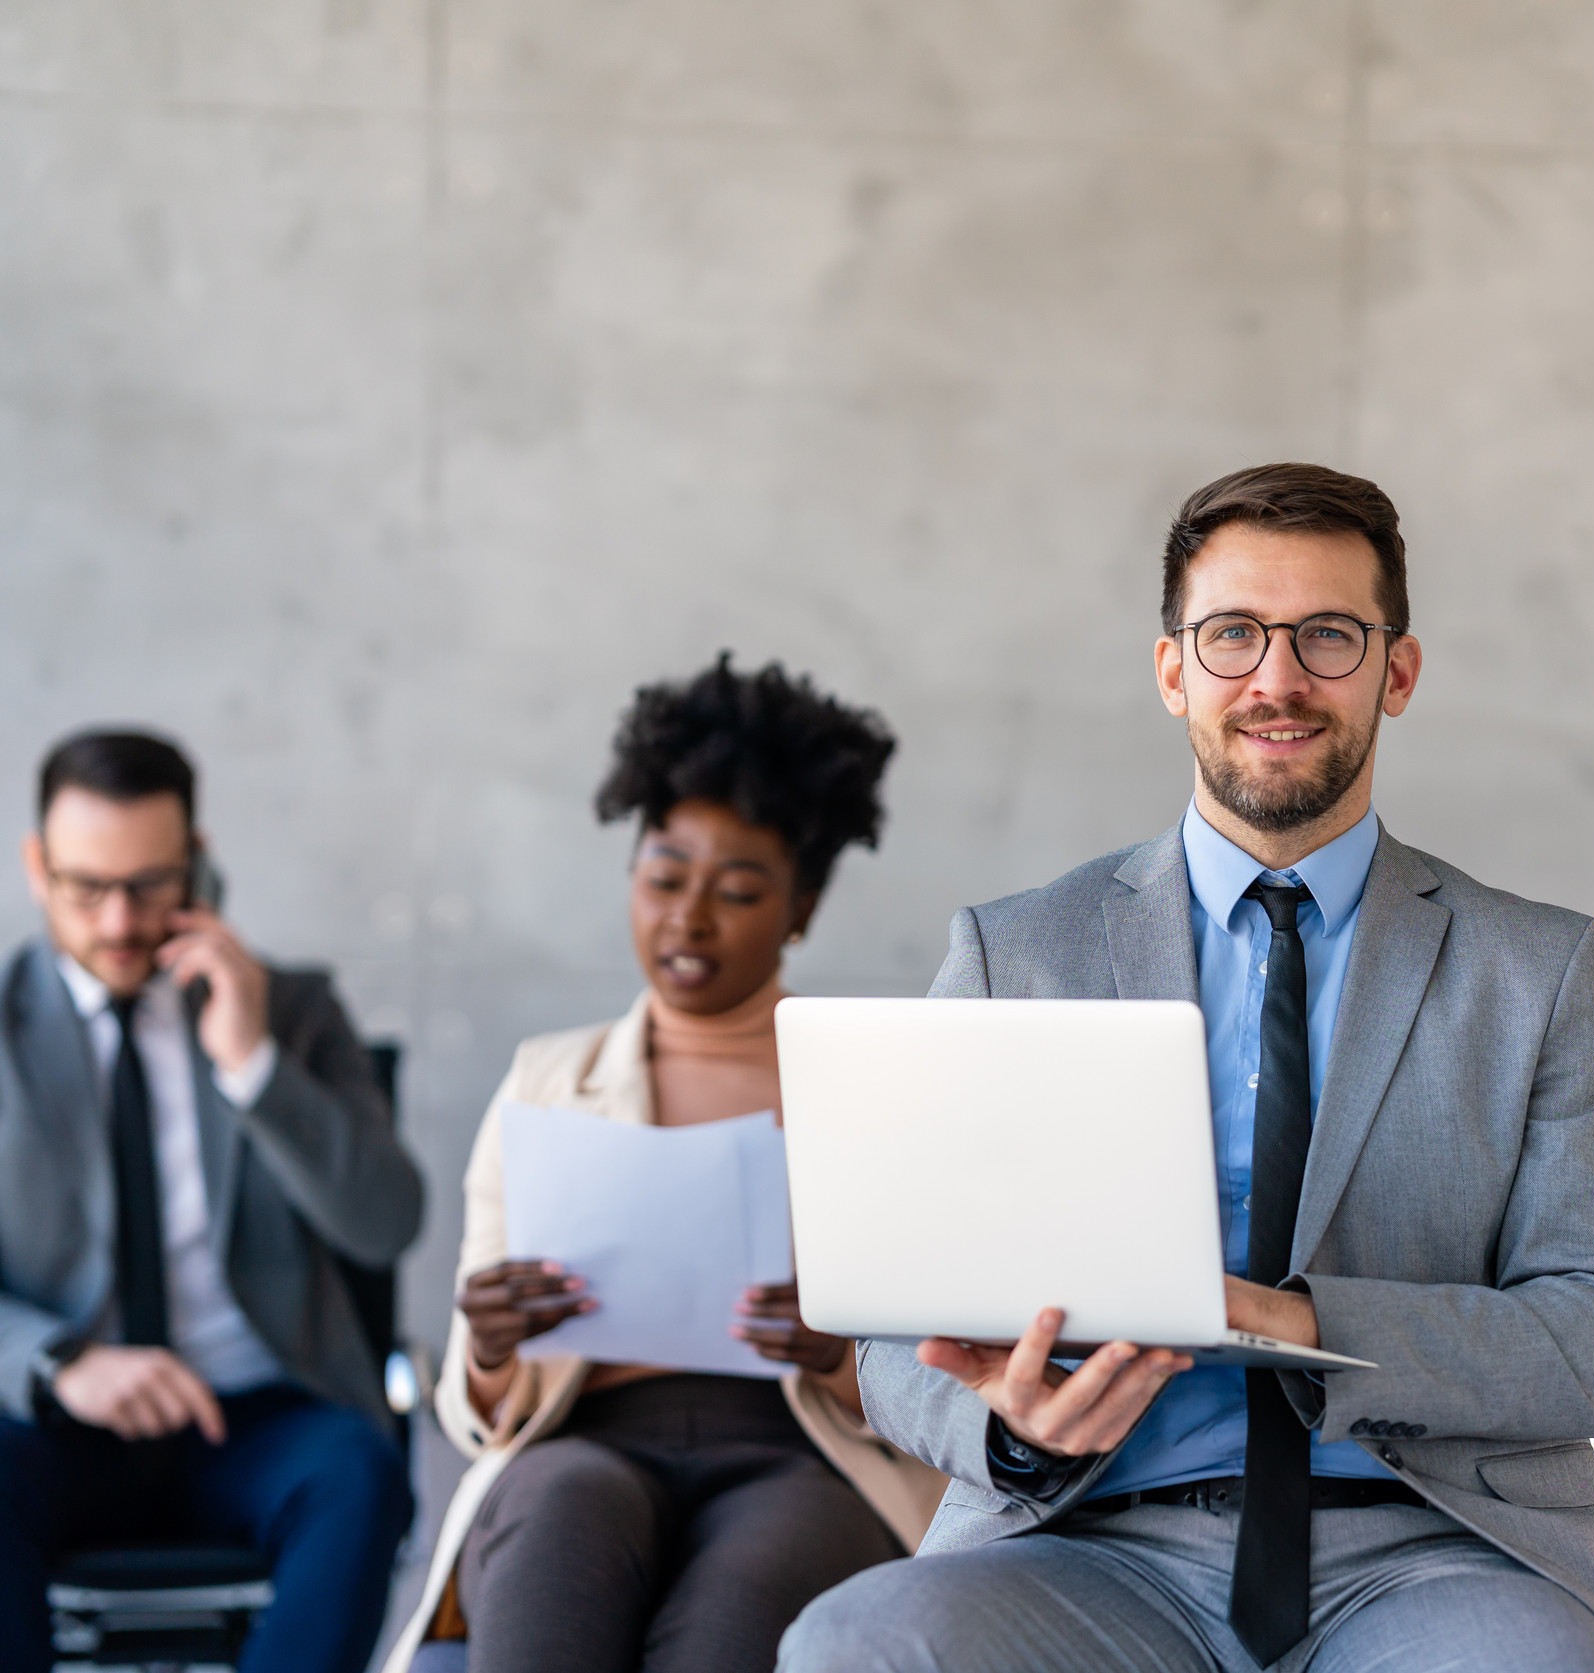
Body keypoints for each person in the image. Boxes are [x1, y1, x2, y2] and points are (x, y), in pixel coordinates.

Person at [776, 462, 1594, 1673]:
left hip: (1438, 1549)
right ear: (1172, 669)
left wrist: (1300, 1321)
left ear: (1398, 671)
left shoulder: (1544, 971)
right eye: (1234, 633)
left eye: (1329, 636)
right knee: (853, 1646)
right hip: (1090, 1541)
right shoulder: (1014, 952)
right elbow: (894, 1338)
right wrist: (1015, 1429)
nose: (1278, 677)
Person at [383, 657, 946, 1673]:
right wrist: (491, 1344)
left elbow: (951, 1370)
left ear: (803, 908)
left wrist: (836, 1353)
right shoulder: (545, 1080)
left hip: (800, 1448)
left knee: (743, 1605)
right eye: (662, 876)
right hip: (584, 1434)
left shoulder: (873, 1089)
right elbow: (481, 1413)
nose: (687, 918)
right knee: (556, 1521)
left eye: (736, 891)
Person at [0, 729, 422, 1673]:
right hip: (54, 1422)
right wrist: (64, 1363)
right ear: (36, 866)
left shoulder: (294, 1010)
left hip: (256, 1414)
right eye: (85, 887)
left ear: (199, 864)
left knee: (361, 1470)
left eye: (149, 884)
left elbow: (388, 1221)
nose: (118, 922)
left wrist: (254, 1063)